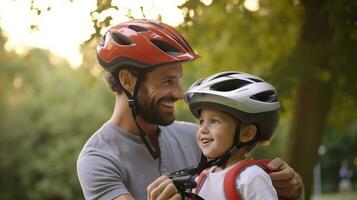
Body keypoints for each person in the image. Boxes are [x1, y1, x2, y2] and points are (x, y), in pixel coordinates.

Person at [76, 19, 303, 200]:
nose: (180, 94)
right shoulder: (98, 159)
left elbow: (240, 182)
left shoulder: (195, 137)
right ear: (127, 81)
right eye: (167, 81)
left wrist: (290, 188)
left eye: (179, 80)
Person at [183, 71, 281, 199]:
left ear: (247, 133)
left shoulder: (250, 177)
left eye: (214, 121)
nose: (203, 129)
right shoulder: (202, 178)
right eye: (201, 122)